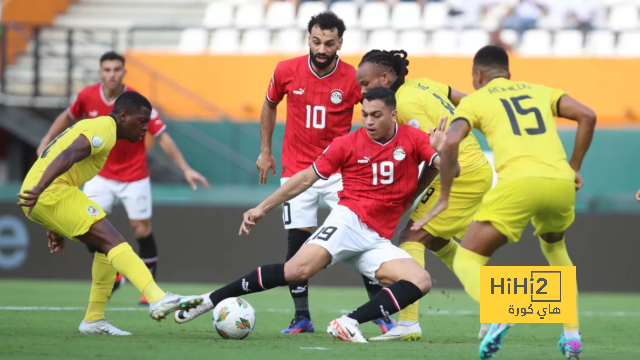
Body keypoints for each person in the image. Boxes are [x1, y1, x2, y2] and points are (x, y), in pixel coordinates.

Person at [174, 87, 460, 342]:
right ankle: (208, 300)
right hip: (349, 222)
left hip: (376, 238)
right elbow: (305, 179)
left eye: (376, 114)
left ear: (393, 114)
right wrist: (262, 207)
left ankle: (348, 323)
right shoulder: (347, 144)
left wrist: (444, 151)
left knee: (420, 281)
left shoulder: (414, 138)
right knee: (295, 271)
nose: (369, 121)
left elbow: (453, 172)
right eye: (365, 114)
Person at [412, 45, 596, 359]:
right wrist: (575, 167)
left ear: (477, 75)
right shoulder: (540, 91)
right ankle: (572, 337)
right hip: (561, 182)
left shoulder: (476, 100)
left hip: (520, 185)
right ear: (509, 73)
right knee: (555, 249)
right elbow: (588, 115)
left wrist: (443, 198)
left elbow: (453, 139)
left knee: (468, 260)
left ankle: (498, 313)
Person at [18, 91, 203, 335]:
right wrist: (40, 189)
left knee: (106, 248)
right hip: (50, 191)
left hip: (52, 192)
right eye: (142, 121)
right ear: (123, 116)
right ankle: (157, 297)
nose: (145, 128)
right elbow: (69, 154)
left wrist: (53, 224)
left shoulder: (101, 128)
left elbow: (62, 158)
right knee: (112, 239)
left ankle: (94, 320)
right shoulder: (104, 129)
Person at [255, 11, 394, 334]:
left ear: (340, 43)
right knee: (297, 245)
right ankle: (301, 316)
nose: (321, 49)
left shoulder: (352, 78)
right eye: (316, 41)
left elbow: (375, 114)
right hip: (297, 169)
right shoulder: (286, 70)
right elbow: (269, 104)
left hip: (340, 170)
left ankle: (377, 312)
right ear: (308, 38)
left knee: (363, 237)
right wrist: (265, 150)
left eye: (329, 43)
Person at [37, 51, 209, 306]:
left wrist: (185, 168)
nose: (111, 74)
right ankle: (116, 274)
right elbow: (67, 116)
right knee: (87, 226)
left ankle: (148, 287)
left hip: (134, 175)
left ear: (124, 72)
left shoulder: (136, 101)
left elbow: (161, 135)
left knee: (141, 229)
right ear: (100, 72)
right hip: (100, 175)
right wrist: (46, 139)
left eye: (116, 69)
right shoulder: (87, 96)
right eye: (107, 69)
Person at [355, 49, 493, 341]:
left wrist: (410, 196)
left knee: (411, 236)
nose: (362, 91)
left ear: (385, 77)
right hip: (473, 168)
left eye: (366, 84)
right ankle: (493, 306)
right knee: (439, 241)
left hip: (460, 172)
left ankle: (407, 323)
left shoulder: (403, 106)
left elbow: (434, 152)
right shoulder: (423, 84)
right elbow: (467, 101)